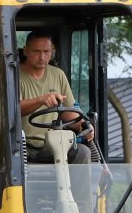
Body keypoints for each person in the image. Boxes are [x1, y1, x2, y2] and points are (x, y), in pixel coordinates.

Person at [16, 31, 92, 162]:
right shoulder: (14, 75)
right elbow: (14, 109)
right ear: (25, 51)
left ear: (52, 52)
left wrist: (84, 125)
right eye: (36, 51)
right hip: (19, 145)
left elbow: (67, 112)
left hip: (50, 144)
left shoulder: (58, 75)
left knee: (83, 152)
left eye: (46, 52)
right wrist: (42, 99)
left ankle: (79, 184)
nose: (42, 57)